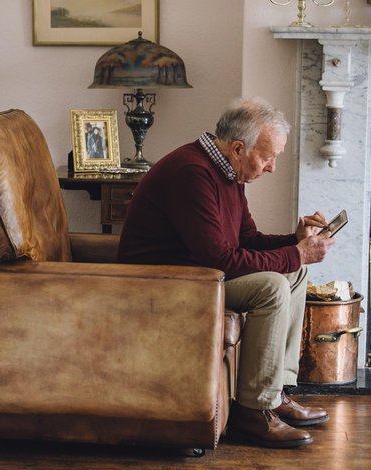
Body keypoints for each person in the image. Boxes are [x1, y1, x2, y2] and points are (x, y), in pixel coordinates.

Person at [117, 98, 336, 448]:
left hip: (198, 273)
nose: (272, 167)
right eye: (268, 157)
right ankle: (253, 410)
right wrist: (296, 253)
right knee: (273, 285)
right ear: (238, 148)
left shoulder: (228, 171)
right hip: (164, 282)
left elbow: (246, 239)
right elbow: (220, 259)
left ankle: (275, 392)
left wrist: (294, 242)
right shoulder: (193, 173)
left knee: (295, 273)